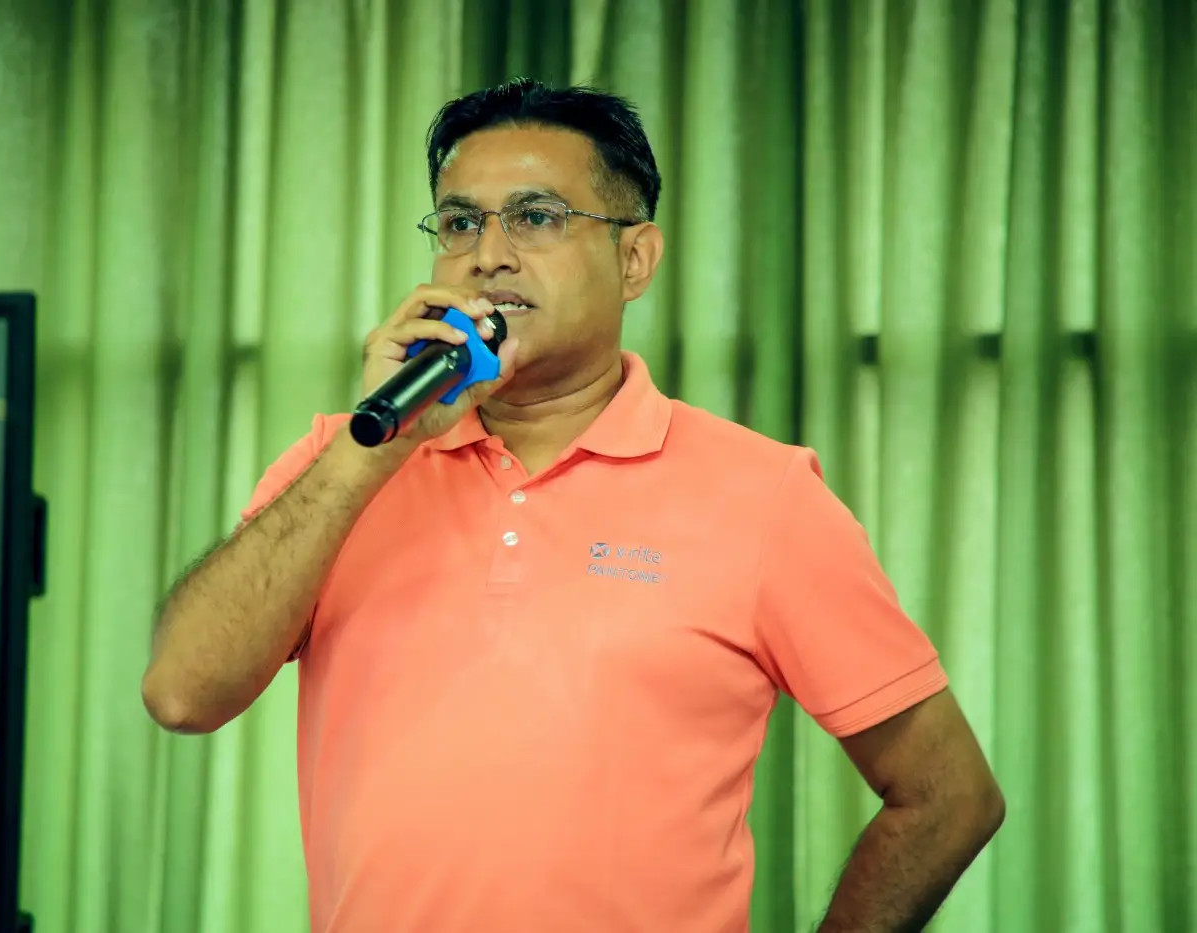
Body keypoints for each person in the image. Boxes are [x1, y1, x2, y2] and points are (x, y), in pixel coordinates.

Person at [142, 78, 1005, 933]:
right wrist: (380, 447)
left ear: (635, 260)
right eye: (460, 222)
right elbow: (182, 693)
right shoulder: (345, 460)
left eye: (536, 216)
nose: (489, 254)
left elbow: (948, 795)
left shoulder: (765, 495)